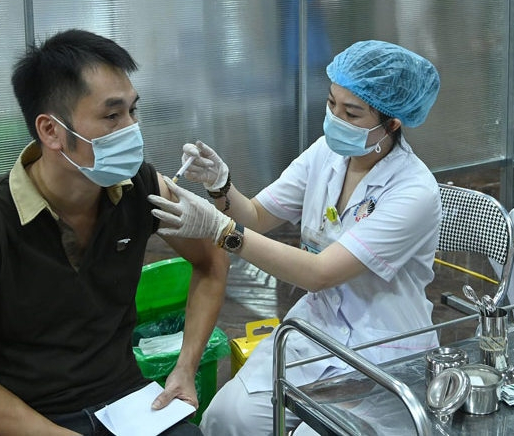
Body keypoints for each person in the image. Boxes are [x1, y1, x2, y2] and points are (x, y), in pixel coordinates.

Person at [0, 29, 229, 436]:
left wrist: (185, 368)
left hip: (125, 405)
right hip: (22, 419)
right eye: (112, 116)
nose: (131, 130)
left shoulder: (141, 187)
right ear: (51, 131)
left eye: (132, 112)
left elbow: (212, 261)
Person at [148, 40, 442, 435]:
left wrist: (222, 232)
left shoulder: (413, 191)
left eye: (351, 113)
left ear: (392, 124)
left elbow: (319, 273)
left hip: (383, 349)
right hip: (317, 331)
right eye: (331, 103)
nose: (335, 118)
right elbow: (255, 215)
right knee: (226, 417)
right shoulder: (327, 153)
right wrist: (221, 187)